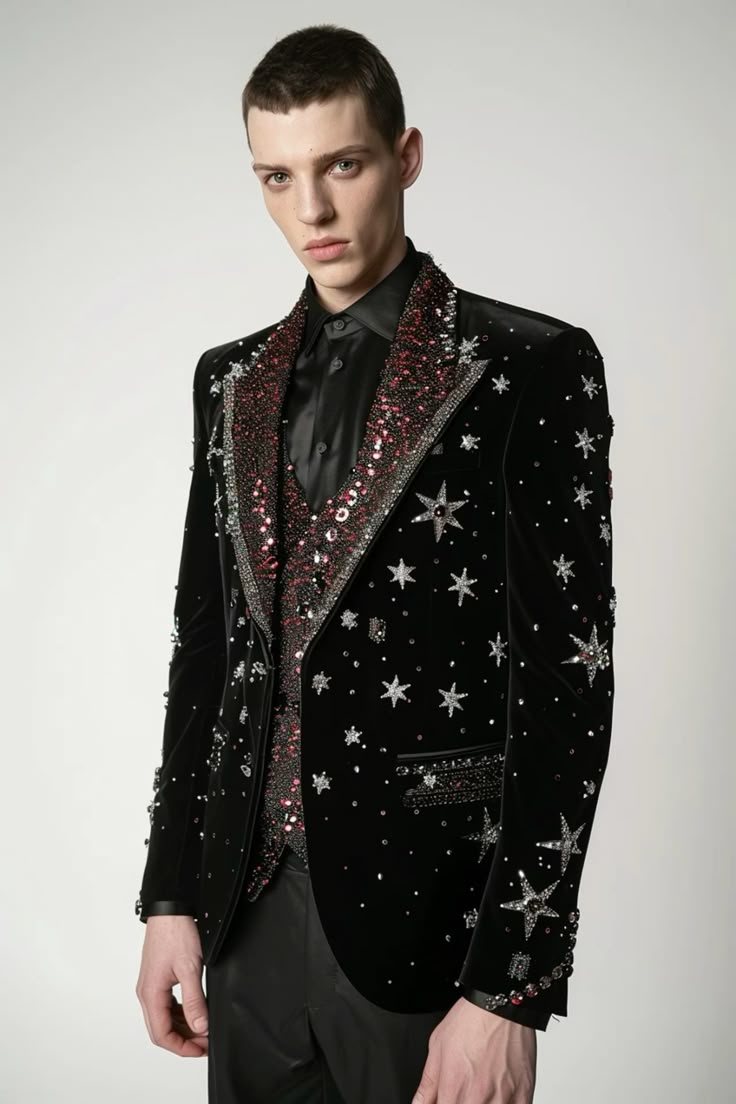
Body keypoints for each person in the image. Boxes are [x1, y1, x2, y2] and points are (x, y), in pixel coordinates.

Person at [134, 22, 616, 1104]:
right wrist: (169, 897)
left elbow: (569, 690)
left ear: (405, 157)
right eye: (277, 177)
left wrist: (510, 989)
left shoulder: (528, 367)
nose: (311, 210)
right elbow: (205, 652)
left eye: (342, 165)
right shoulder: (229, 382)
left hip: (430, 926)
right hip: (245, 916)